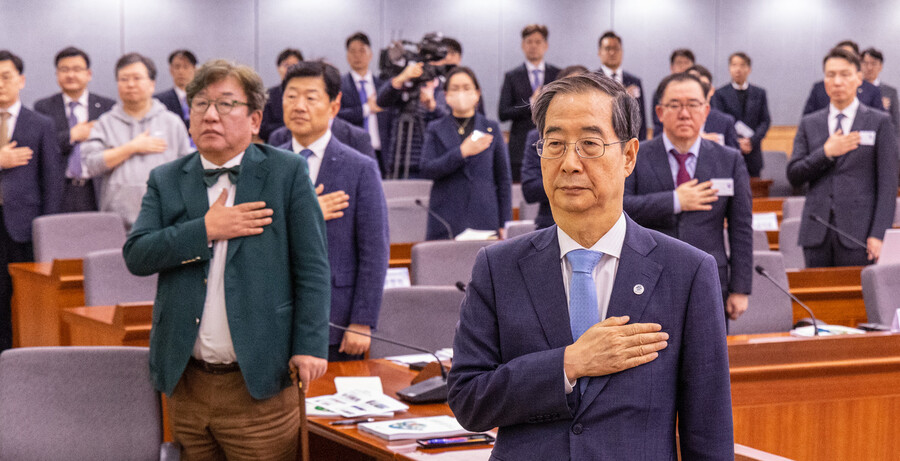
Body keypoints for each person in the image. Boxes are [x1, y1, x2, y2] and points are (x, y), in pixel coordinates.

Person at [447, 72, 734, 459]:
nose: (569, 163)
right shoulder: (498, 267)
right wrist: (568, 363)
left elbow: (708, 433)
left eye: (589, 144)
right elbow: (468, 399)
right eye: (555, 144)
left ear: (629, 156)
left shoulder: (687, 272)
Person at [123, 59, 331, 459]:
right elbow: (138, 254)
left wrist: (311, 345)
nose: (210, 115)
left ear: (255, 119)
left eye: (225, 104)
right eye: (200, 104)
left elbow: (314, 269)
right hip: (187, 383)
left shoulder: (285, 172)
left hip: (260, 383)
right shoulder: (167, 178)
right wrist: (205, 229)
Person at [277, 61, 388, 362]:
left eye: (311, 98)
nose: (299, 106)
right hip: (273, 315)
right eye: (291, 96)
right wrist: (307, 212)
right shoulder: (266, 164)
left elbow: (374, 249)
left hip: (336, 320)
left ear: (334, 105)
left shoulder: (359, 167)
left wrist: (362, 321)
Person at [624, 72, 752, 322]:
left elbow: (741, 229)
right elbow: (618, 208)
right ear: (660, 113)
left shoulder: (729, 160)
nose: (684, 113)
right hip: (646, 279)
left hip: (709, 279)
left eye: (693, 105)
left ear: (705, 111)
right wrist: (674, 201)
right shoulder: (635, 155)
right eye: (675, 105)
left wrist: (740, 289)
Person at [788, 47, 899, 268]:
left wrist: (879, 234)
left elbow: (888, 185)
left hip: (860, 234)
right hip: (816, 234)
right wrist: (826, 153)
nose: (837, 82)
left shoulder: (878, 122)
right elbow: (794, 175)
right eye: (830, 75)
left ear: (859, 78)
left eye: (845, 74)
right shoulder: (810, 122)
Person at [80, 52, 192, 228]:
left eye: (137, 78)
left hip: (164, 221)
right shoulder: (105, 122)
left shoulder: (172, 122)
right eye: (124, 79)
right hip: (116, 223)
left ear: (152, 84)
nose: (130, 84)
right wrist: (131, 148)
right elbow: (91, 164)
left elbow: (187, 171)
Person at [0, 50, 64, 352]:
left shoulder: (40, 124)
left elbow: (52, 183)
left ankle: (22, 356)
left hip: (23, 228)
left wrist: (48, 234)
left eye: (6, 77)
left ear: (21, 80)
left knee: (25, 298)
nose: (0, 84)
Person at [420, 66, 511, 239]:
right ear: (446, 95)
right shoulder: (435, 128)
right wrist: (461, 152)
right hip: (445, 216)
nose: (461, 93)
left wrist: (504, 222)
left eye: (467, 88)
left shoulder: (491, 128)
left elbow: (503, 180)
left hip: (484, 215)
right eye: (455, 88)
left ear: (477, 93)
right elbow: (427, 168)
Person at [33, 46, 115, 212]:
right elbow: (41, 149)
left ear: (88, 74)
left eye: (77, 69)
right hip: (60, 190)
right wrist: (72, 135)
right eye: (64, 70)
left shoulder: (107, 107)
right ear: (57, 74)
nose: (71, 75)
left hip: (96, 189)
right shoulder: (43, 107)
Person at [521, 65, 589, 230]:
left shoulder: (605, 138)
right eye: (569, 90)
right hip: (550, 222)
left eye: (581, 90)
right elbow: (529, 190)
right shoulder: (538, 136)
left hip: (594, 222)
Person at [498, 24, 561, 182]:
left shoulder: (557, 74)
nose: (533, 46)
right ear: (522, 45)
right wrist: (530, 104)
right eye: (529, 41)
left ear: (545, 45)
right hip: (520, 146)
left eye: (538, 42)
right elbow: (503, 112)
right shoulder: (512, 76)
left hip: (553, 143)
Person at [376, 54, 447, 179]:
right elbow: (381, 101)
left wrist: (432, 107)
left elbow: (449, 123)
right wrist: (402, 77)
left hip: (426, 164)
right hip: (397, 162)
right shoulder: (405, 87)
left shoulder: (442, 92)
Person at [338, 32, 392, 174]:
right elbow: (337, 115)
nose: (357, 56)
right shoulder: (340, 85)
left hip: (381, 150)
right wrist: (367, 109)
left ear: (371, 54)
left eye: (362, 51)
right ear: (347, 56)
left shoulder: (382, 86)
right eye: (352, 51)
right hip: (351, 148)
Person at [710, 52, 771, 178]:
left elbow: (765, 121)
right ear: (729, 68)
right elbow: (720, 121)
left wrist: (751, 141)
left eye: (742, 65)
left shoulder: (759, 93)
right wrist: (737, 142)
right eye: (734, 65)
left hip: (753, 152)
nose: (738, 69)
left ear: (749, 69)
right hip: (729, 150)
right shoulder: (720, 94)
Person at [802, 40, 883, 115]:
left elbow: (880, 122)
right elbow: (808, 121)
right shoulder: (819, 88)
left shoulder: (872, 90)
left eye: (848, 57)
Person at [596, 31, 648, 140]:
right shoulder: (592, 80)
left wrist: (641, 144)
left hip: (629, 140)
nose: (612, 52)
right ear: (599, 52)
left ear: (622, 52)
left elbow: (641, 117)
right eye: (607, 48)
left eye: (616, 48)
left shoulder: (634, 81)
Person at [686, 64, 740, 150]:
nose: (698, 90)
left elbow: (734, 159)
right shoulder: (672, 118)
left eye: (703, 86)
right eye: (692, 84)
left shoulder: (725, 122)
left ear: (711, 90)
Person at [260, 48, 303, 142]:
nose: (290, 69)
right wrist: (290, 126)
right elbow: (262, 128)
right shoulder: (269, 95)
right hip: (276, 144)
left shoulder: (305, 95)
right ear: (278, 68)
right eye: (286, 65)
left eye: (294, 65)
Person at [651, 48, 695, 136]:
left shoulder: (700, 92)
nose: (683, 67)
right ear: (672, 67)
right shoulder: (661, 91)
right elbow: (658, 122)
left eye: (686, 63)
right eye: (679, 63)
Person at [155, 49, 197, 129]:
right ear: (171, 70)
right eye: (177, 67)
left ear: (194, 69)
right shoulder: (159, 101)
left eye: (186, 67)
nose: (181, 71)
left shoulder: (203, 99)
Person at [861, 47, 900, 134]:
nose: (869, 67)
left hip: (884, 136)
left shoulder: (890, 92)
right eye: (865, 63)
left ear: (880, 67)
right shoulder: (854, 90)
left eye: (873, 64)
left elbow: (896, 122)